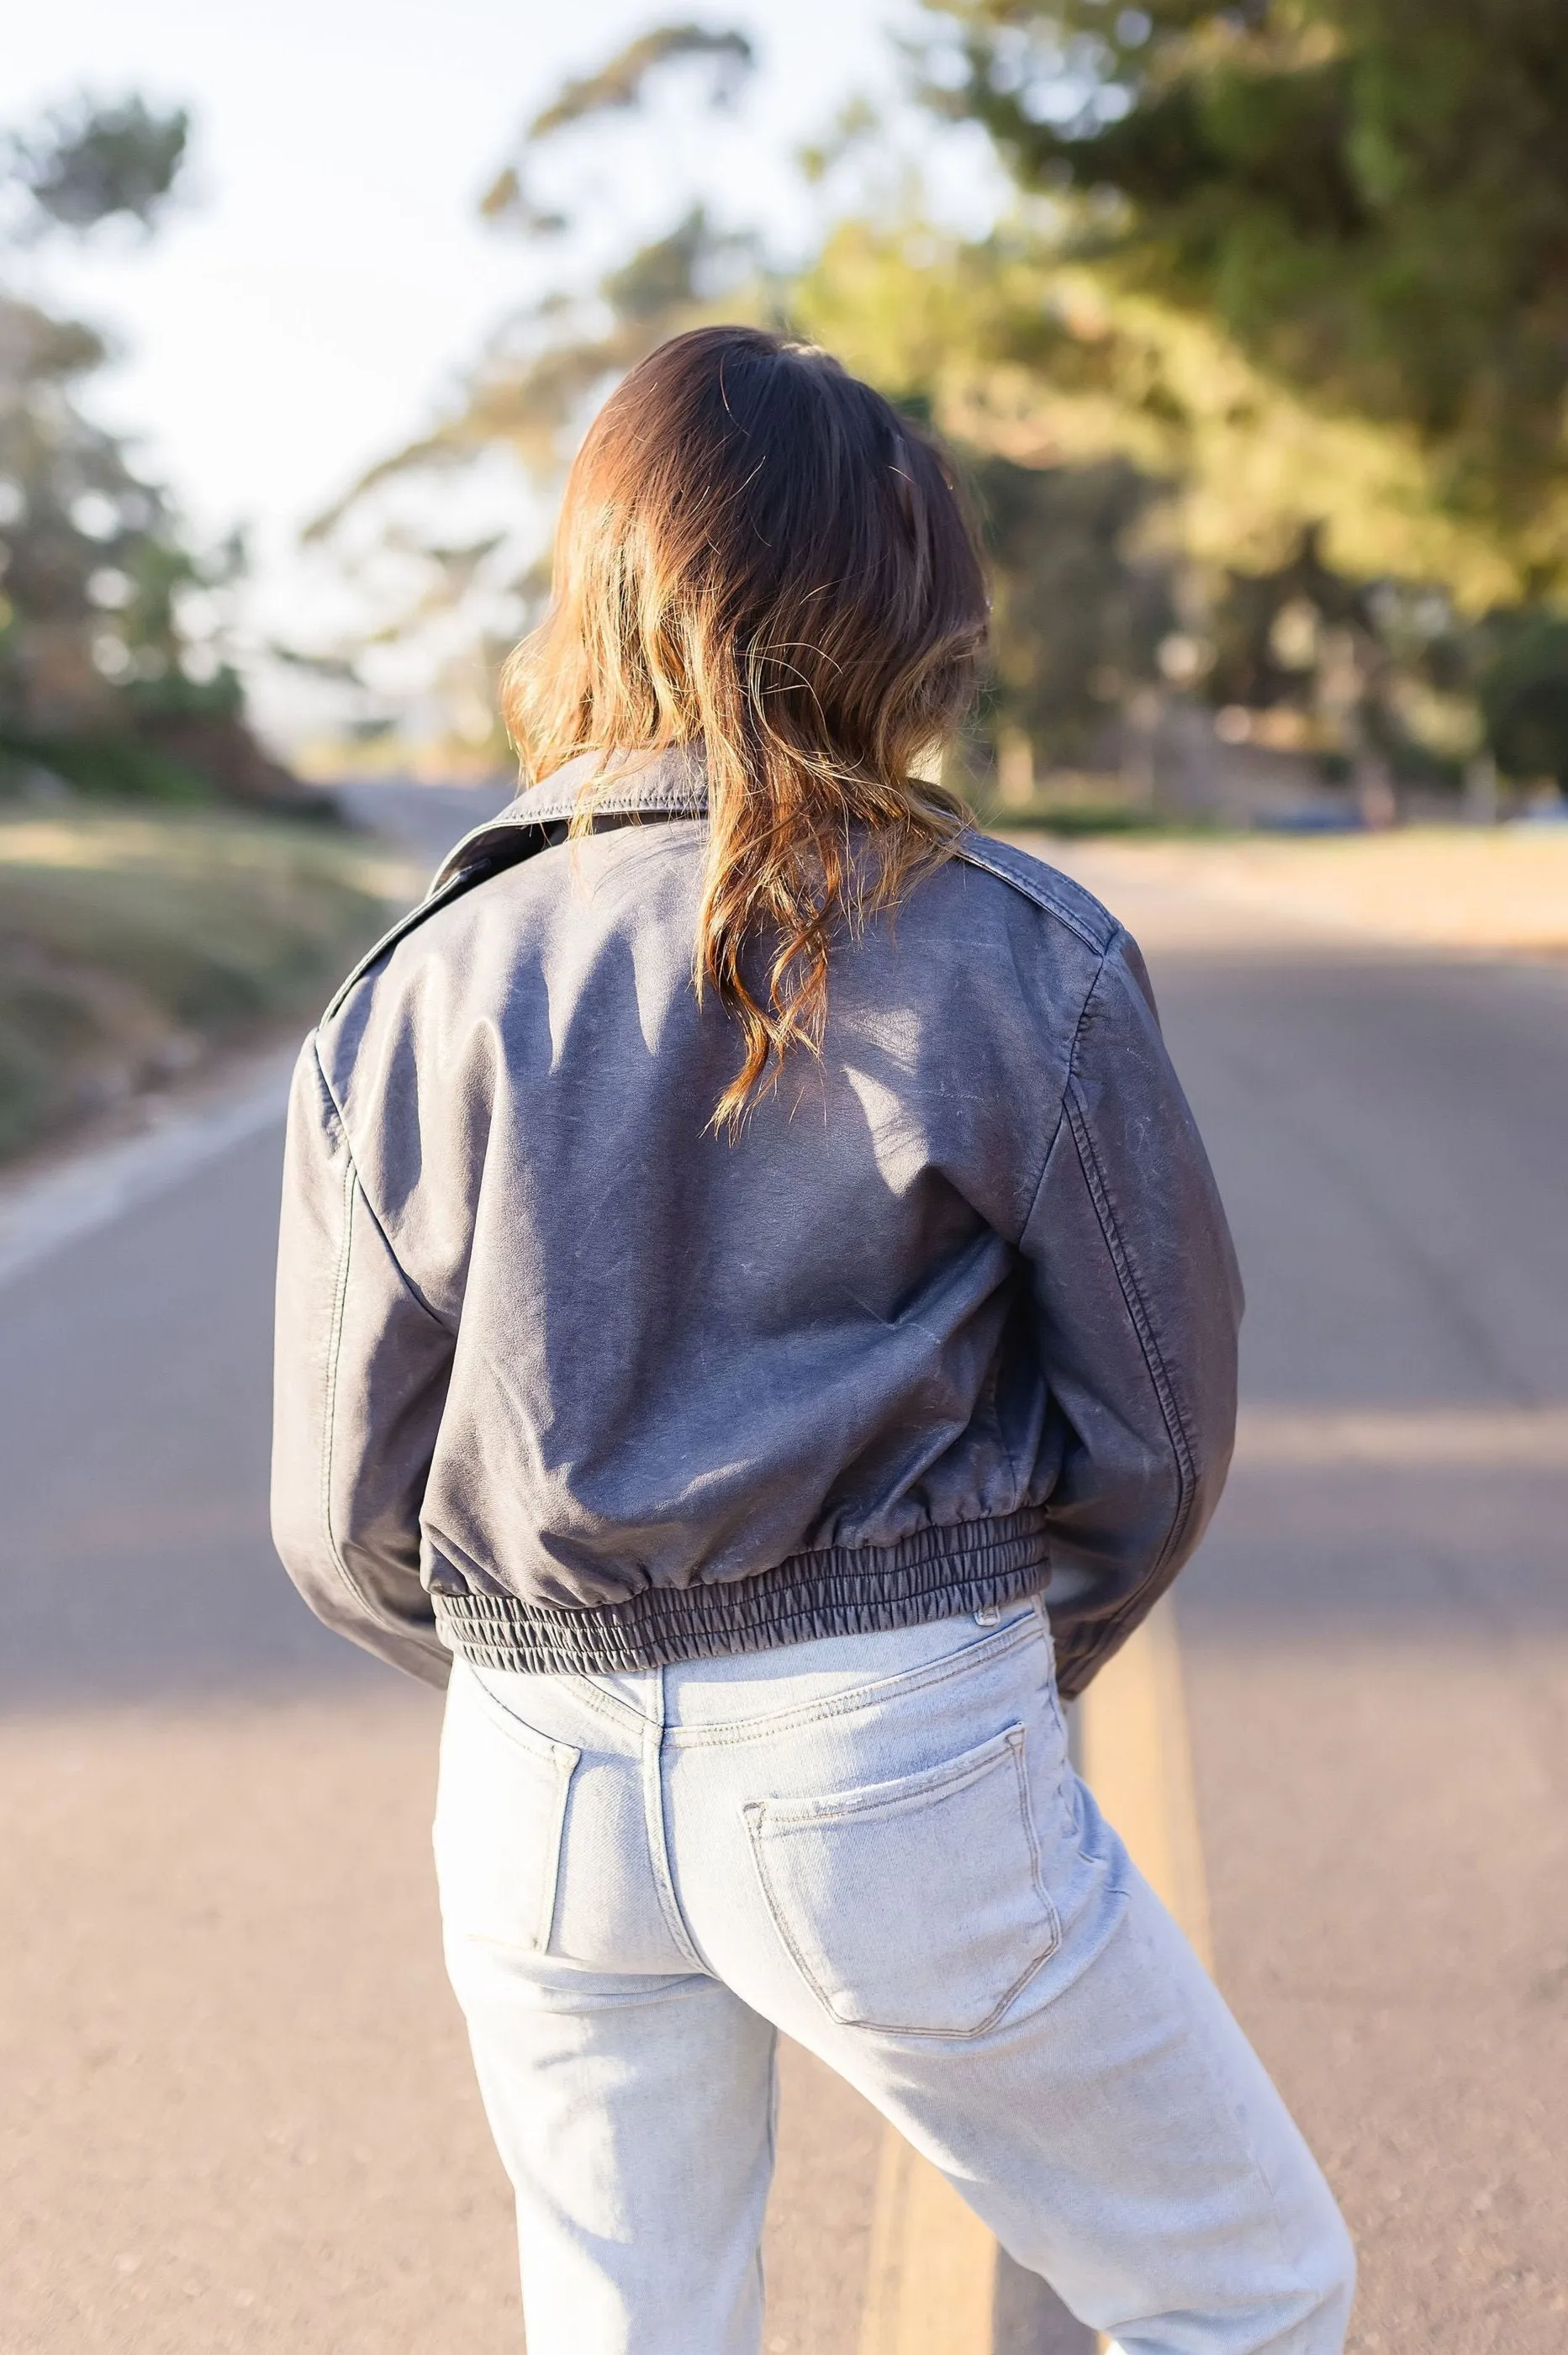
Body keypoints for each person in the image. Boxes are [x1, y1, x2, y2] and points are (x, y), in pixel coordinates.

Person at [271, 325, 1354, 2355]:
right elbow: (1156, 1435)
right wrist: (960, 1671)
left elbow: (344, 1519)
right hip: (887, 1748)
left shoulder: (408, 990)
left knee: (628, 2324)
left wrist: (552, 1667)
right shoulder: (1011, 948)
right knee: (1241, 2285)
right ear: (899, 613)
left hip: (533, 1777)